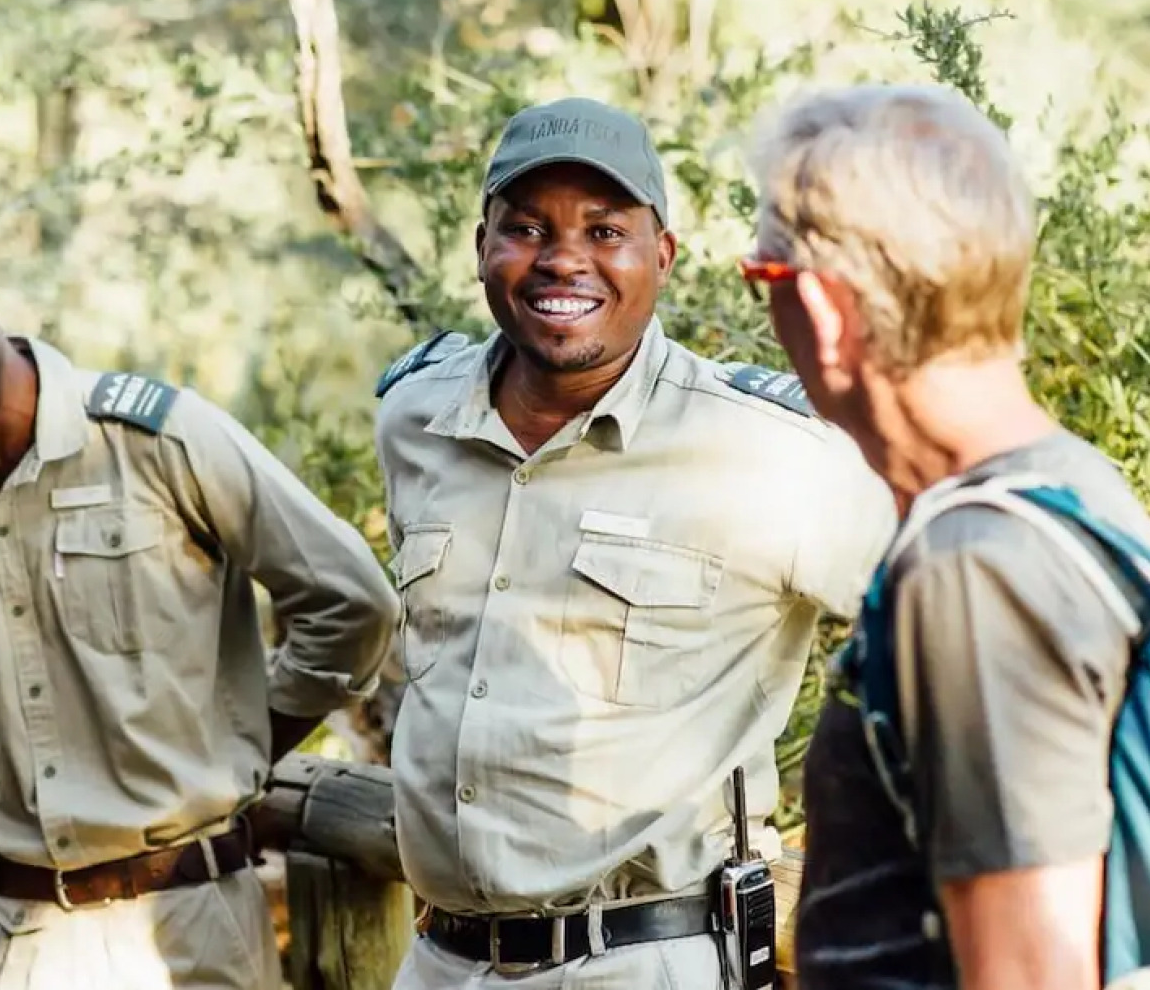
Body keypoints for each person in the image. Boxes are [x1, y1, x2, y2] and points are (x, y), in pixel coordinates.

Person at [372, 96, 896, 988]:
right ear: (482, 246)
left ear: (663, 254)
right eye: (527, 228)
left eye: (605, 231)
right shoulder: (415, 416)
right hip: (438, 962)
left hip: (644, 959)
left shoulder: (772, 452)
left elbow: (951, 642)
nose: (563, 258)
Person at [0, 211, 401, 990]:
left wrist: (249, 737)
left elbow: (351, 602)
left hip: (193, 927)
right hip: (27, 935)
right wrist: (16, 763)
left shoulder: (156, 438)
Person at [743, 82, 1150, 990]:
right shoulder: (1076, 485)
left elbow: (1032, 972)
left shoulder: (973, 572)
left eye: (761, 280)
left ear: (826, 312)